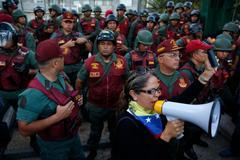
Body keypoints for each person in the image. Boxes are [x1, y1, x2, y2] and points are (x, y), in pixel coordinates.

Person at [112, 64, 216, 160]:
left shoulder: (155, 107)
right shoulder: (126, 123)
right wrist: (166, 136)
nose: (157, 94)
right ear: (134, 94)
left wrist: (204, 77)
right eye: (152, 91)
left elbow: (182, 99)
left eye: (158, 89)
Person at [17, 39, 86, 160]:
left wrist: (76, 99)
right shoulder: (32, 93)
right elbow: (24, 130)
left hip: (72, 136)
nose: (64, 58)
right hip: (54, 146)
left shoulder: (61, 75)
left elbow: (67, 92)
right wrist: (57, 117)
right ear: (55, 63)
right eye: (61, 56)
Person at [75, 29, 129, 160]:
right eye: (102, 43)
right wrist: (79, 97)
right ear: (97, 45)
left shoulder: (122, 61)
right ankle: (92, 152)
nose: (105, 46)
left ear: (114, 46)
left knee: (115, 132)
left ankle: (115, 154)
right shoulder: (90, 62)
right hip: (96, 106)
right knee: (95, 132)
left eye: (109, 44)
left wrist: (125, 99)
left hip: (116, 106)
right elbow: (79, 81)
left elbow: (128, 80)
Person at [0, 22, 38, 156]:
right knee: (3, 127)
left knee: (31, 121)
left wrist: (28, 71)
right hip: (2, 96)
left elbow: (42, 70)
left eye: (5, 38)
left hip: (22, 94)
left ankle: (36, 144)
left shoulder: (27, 53)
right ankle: (2, 147)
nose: (3, 42)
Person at [51, 11, 92, 86]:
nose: (69, 24)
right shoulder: (56, 35)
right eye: (66, 22)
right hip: (62, 69)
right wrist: (66, 45)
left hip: (77, 67)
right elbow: (50, 51)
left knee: (77, 89)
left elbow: (89, 49)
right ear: (62, 23)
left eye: (71, 22)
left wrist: (85, 40)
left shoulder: (78, 34)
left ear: (73, 24)